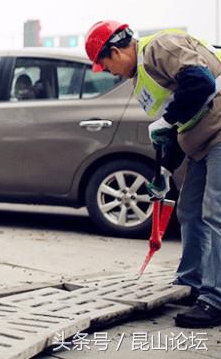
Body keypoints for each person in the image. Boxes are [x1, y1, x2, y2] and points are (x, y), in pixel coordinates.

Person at [85, 20, 221, 328]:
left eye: (106, 66)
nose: (109, 73)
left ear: (117, 51)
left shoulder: (160, 47)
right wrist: (163, 172)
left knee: (215, 212)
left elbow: (200, 82)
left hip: (219, 132)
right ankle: (192, 283)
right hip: (198, 141)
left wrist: (168, 120)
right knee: (189, 211)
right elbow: (170, 130)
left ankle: (214, 300)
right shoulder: (141, 80)